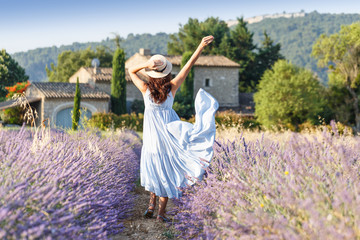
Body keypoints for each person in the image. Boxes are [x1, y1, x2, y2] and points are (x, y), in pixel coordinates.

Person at [129, 35, 218, 222]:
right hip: (168, 140)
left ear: (152, 74)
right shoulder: (171, 88)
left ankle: (151, 206)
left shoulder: (145, 89)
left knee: (153, 170)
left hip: (152, 140)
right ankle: (161, 214)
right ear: (166, 73)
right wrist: (200, 46)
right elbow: (188, 66)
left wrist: (145, 65)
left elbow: (131, 71)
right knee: (166, 174)